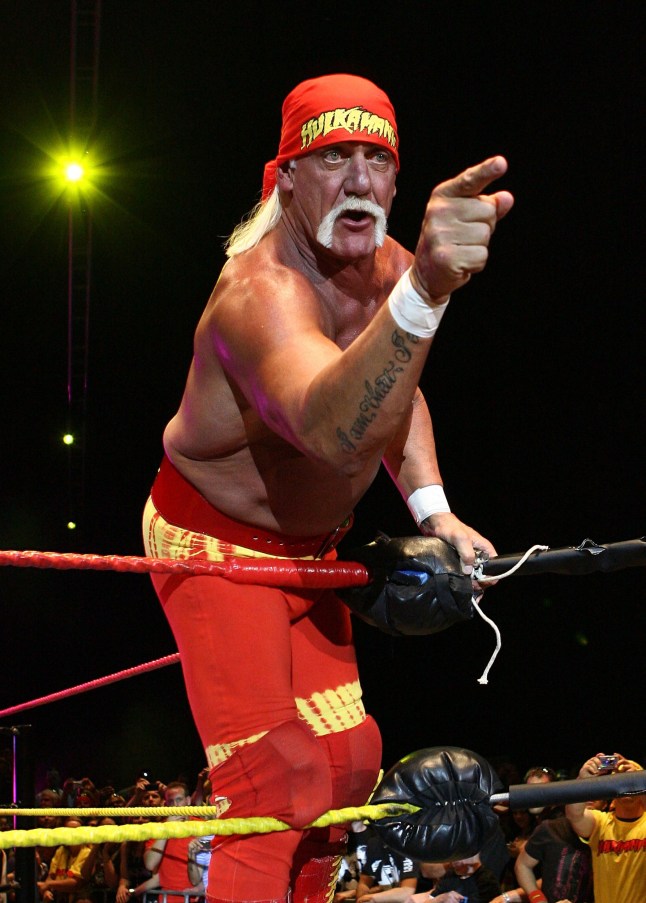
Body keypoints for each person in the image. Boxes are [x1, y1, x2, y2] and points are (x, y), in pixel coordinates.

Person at [142, 72, 513, 902]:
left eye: (376, 159)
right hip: (220, 545)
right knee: (276, 777)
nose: (358, 179)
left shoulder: (387, 264)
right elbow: (331, 428)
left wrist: (433, 508)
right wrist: (423, 296)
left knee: (346, 764)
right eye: (333, 156)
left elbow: (396, 391)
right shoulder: (259, 292)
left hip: (313, 548)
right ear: (286, 180)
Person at [565, 752, 646, 903]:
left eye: (633, 778)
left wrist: (640, 782)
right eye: (621, 779)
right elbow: (573, 814)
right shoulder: (601, 822)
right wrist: (582, 780)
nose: (629, 783)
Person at [142, 782, 201, 903]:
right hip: (167, 898)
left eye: (179, 800)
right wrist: (167, 830)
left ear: (188, 801)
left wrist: (202, 888)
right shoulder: (159, 829)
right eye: (171, 801)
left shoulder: (202, 827)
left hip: (197, 897)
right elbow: (150, 864)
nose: (175, 805)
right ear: (166, 804)